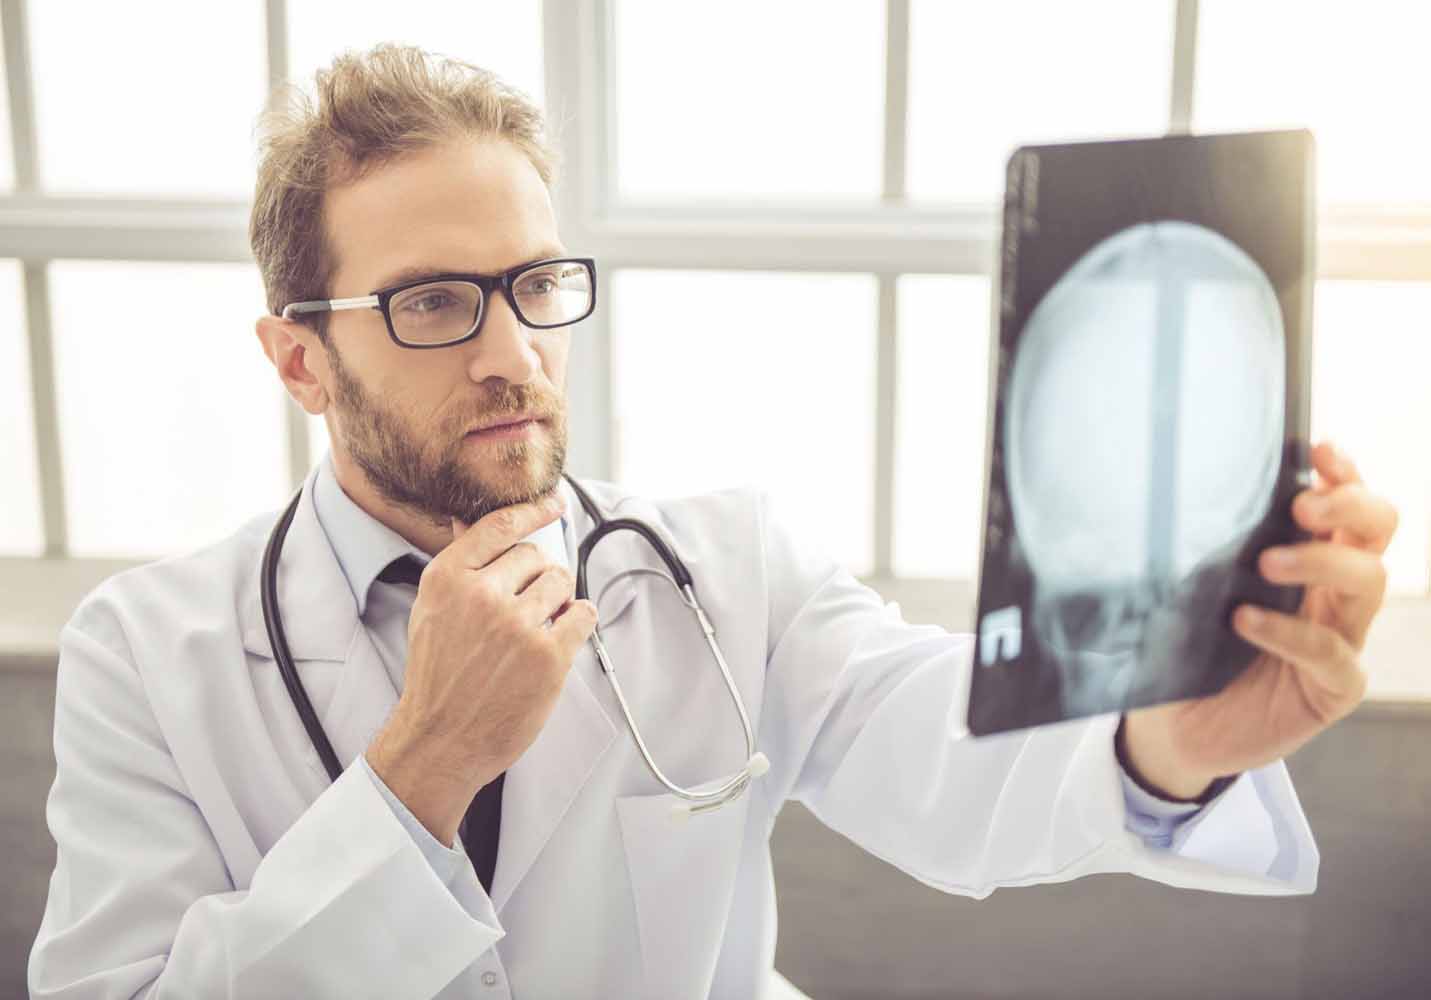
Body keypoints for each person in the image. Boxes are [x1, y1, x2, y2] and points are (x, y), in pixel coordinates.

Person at [29, 44, 1399, 1000]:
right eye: (433, 303)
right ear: (297, 360)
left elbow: (956, 761)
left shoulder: (722, 570)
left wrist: (1180, 743)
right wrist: (421, 769)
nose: (512, 353)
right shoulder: (146, 655)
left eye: (534, 285)